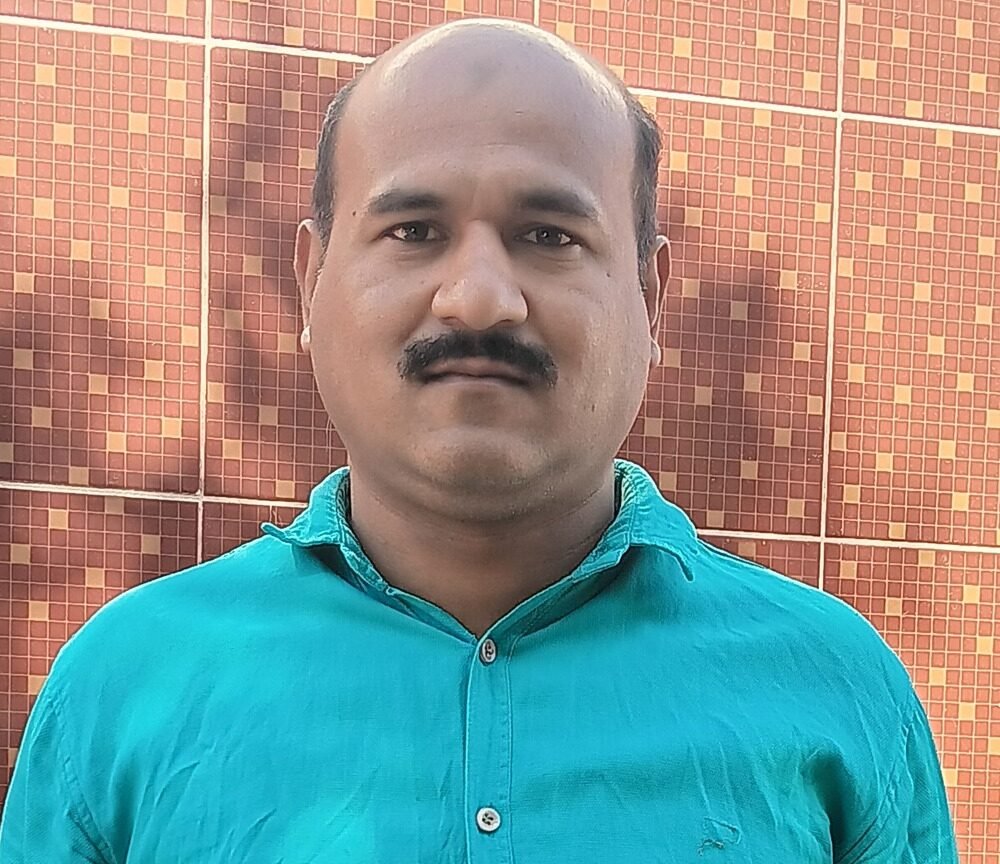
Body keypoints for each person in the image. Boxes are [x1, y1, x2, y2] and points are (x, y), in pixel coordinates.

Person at [0, 19, 958, 863]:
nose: (480, 299)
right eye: (414, 230)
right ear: (310, 283)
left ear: (651, 297)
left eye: (550, 236)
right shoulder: (122, 690)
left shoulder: (839, 691)